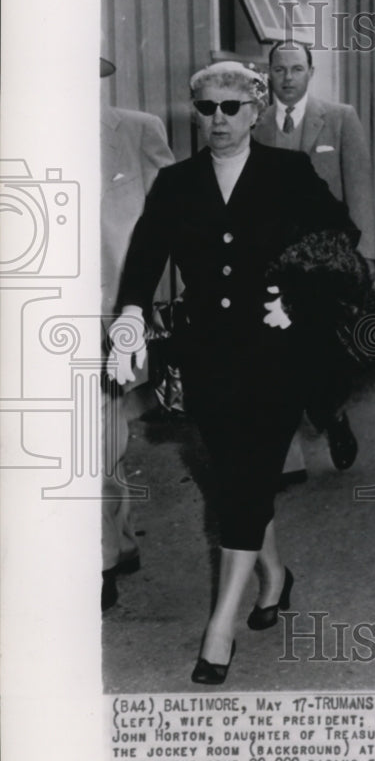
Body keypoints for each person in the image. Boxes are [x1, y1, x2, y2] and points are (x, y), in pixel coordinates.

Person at [107, 62, 361, 684]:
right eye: (206, 108)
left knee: (247, 477)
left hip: (277, 350)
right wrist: (131, 318)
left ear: (254, 108)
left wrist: (296, 298)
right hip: (208, 354)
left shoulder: (288, 172)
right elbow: (144, 259)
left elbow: (341, 241)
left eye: (230, 107)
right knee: (233, 478)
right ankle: (273, 573)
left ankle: (219, 627)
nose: (217, 120)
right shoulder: (175, 182)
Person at [253, 41, 375, 472]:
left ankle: (332, 413)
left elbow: (359, 187)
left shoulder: (339, 119)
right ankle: (288, 459)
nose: (288, 78)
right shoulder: (255, 123)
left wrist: (366, 258)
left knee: (323, 352)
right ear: (268, 74)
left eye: (296, 69)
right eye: (280, 69)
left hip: (329, 260)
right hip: (274, 260)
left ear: (311, 72)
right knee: (277, 351)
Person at [101, 55, 175, 610]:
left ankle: (101, 559)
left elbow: (174, 221)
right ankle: (117, 543)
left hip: (109, 311)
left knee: (96, 440)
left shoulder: (137, 131)